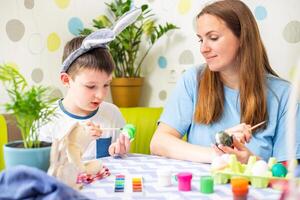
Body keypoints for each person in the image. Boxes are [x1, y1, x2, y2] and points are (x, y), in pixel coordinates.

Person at [150, 0, 300, 164]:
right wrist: (218, 154)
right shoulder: (193, 80)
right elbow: (159, 142)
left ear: (242, 37)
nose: (203, 49)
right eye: (201, 40)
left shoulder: (284, 95)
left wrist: (251, 162)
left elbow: (289, 174)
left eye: (213, 38)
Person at [39, 35, 130, 160]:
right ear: (66, 80)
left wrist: (119, 151)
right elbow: (44, 170)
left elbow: (120, 160)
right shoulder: (47, 119)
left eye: (106, 84)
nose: (101, 95)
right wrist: (78, 142)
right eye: (91, 86)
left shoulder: (112, 114)